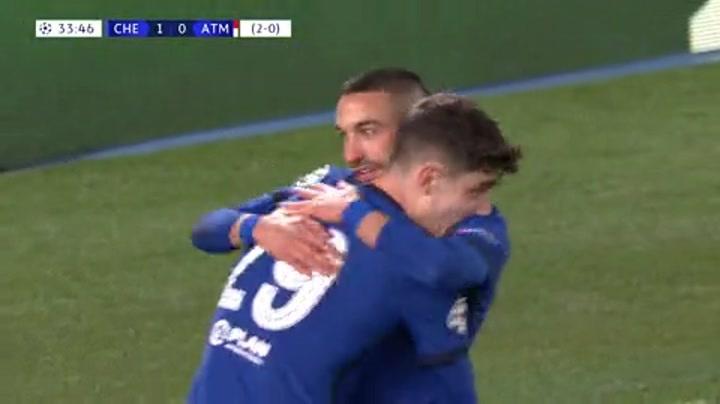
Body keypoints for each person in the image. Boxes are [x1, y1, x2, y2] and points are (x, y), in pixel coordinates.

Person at [191, 69, 519, 402]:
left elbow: (443, 274)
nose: (351, 155)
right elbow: (206, 229)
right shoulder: (328, 188)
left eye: (368, 131)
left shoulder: (435, 240)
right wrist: (256, 227)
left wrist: (355, 214)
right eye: (345, 134)